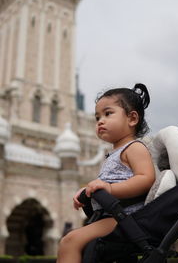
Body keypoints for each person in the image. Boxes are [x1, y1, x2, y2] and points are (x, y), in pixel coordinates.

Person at [56, 83, 155, 263]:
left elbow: (146, 179)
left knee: (69, 241)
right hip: (114, 216)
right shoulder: (113, 154)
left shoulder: (135, 148)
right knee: (82, 246)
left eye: (108, 114)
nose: (100, 120)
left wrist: (109, 188)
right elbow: (110, 181)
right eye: (97, 117)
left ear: (132, 118)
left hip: (127, 219)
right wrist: (88, 191)